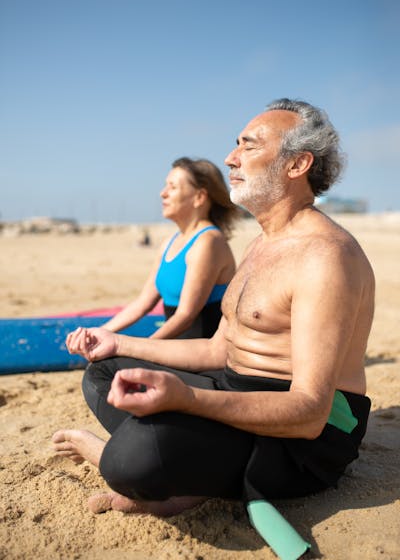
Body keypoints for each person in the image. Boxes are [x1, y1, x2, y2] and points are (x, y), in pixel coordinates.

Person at [53, 99, 374, 528]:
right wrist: (120, 343)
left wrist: (188, 400)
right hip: (237, 386)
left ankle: (153, 467)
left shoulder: (325, 257)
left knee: (131, 461)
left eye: (249, 145)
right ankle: (182, 467)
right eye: (235, 144)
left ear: (297, 164)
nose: (230, 157)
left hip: (306, 437)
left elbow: (310, 412)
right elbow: (217, 350)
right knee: (105, 370)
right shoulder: (261, 244)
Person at [102, 157, 238, 339]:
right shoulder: (170, 242)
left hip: (199, 351)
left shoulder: (208, 242)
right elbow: (142, 304)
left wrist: (145, 347)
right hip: (173, 346)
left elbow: (185, 316)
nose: (162, 193)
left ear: (199, 197)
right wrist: (101, 332)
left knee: (107, 365)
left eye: (172, 187)